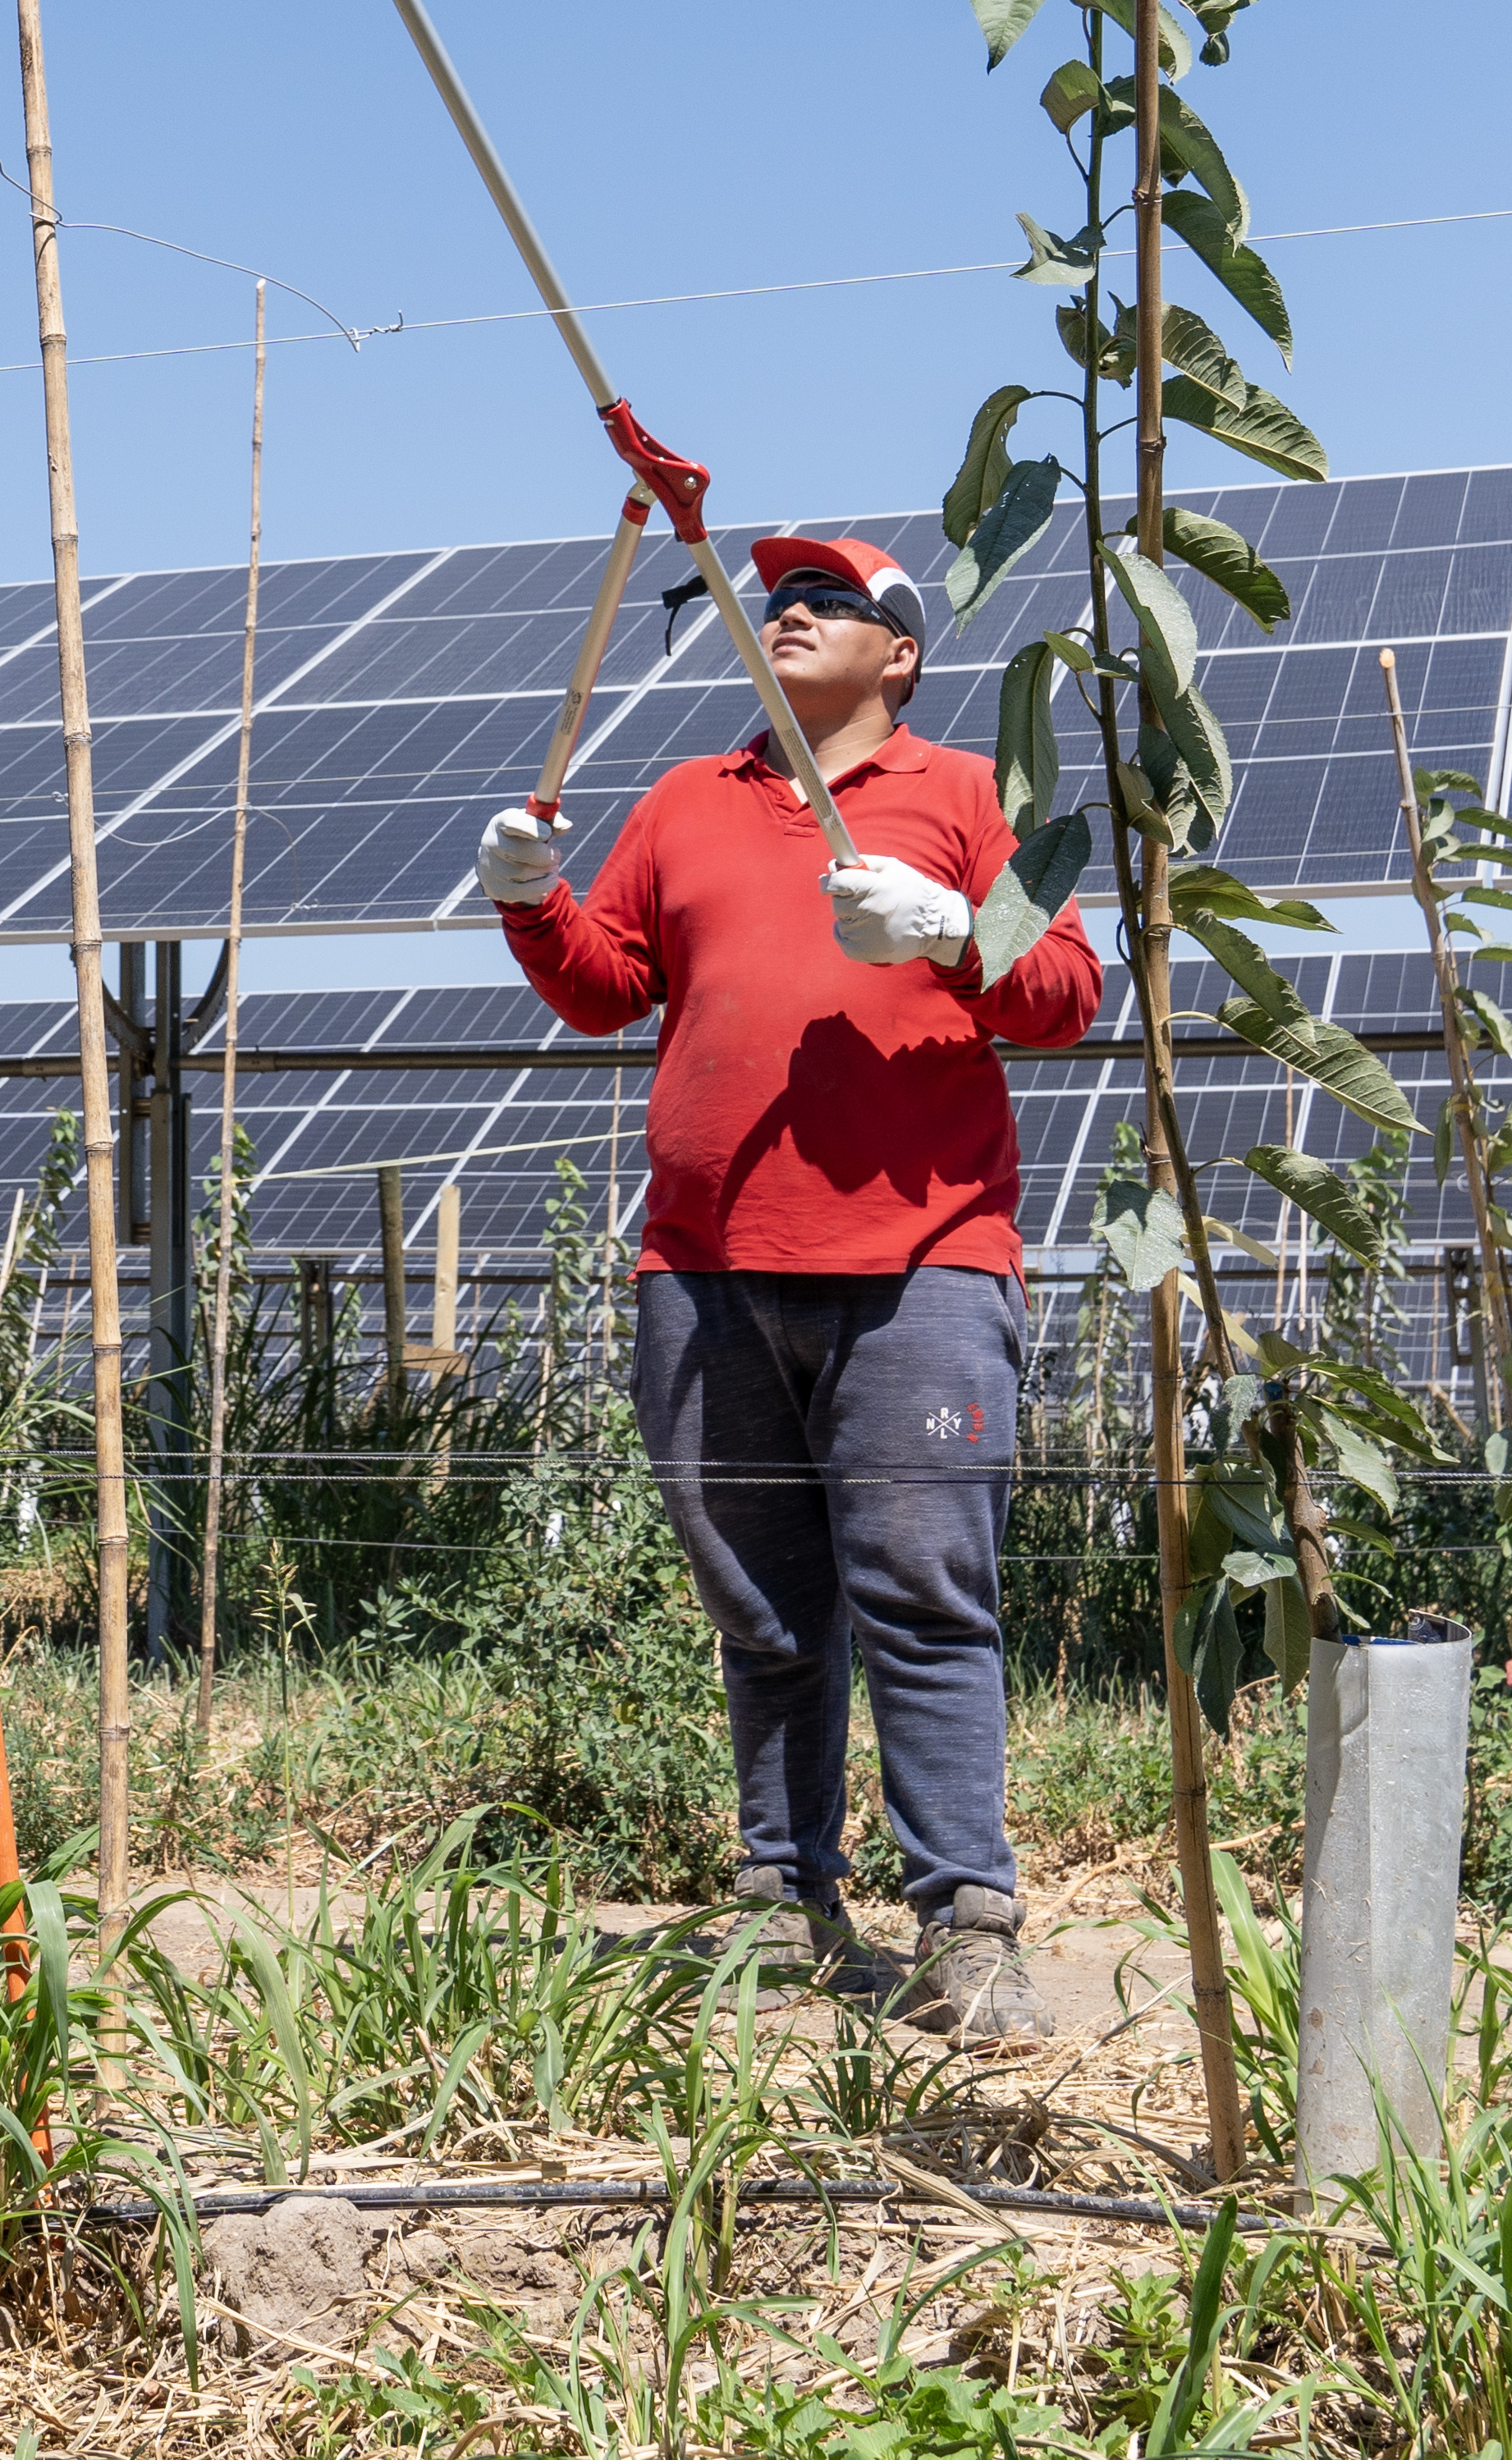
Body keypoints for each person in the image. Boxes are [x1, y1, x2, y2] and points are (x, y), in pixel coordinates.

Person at [474, 529, 1099, 2039]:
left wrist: (958, 933)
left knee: (924, 1594)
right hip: (703, 1271)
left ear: (902, 654)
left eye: (830, 604)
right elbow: (608, 987)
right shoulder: (688, 801)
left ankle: (968, 1917)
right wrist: (531, 900)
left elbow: (1068, 998)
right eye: (778, 604)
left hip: (925, 1268)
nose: (790, 615)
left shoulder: (965, 800)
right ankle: (787, 1899)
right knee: (761, 1605)